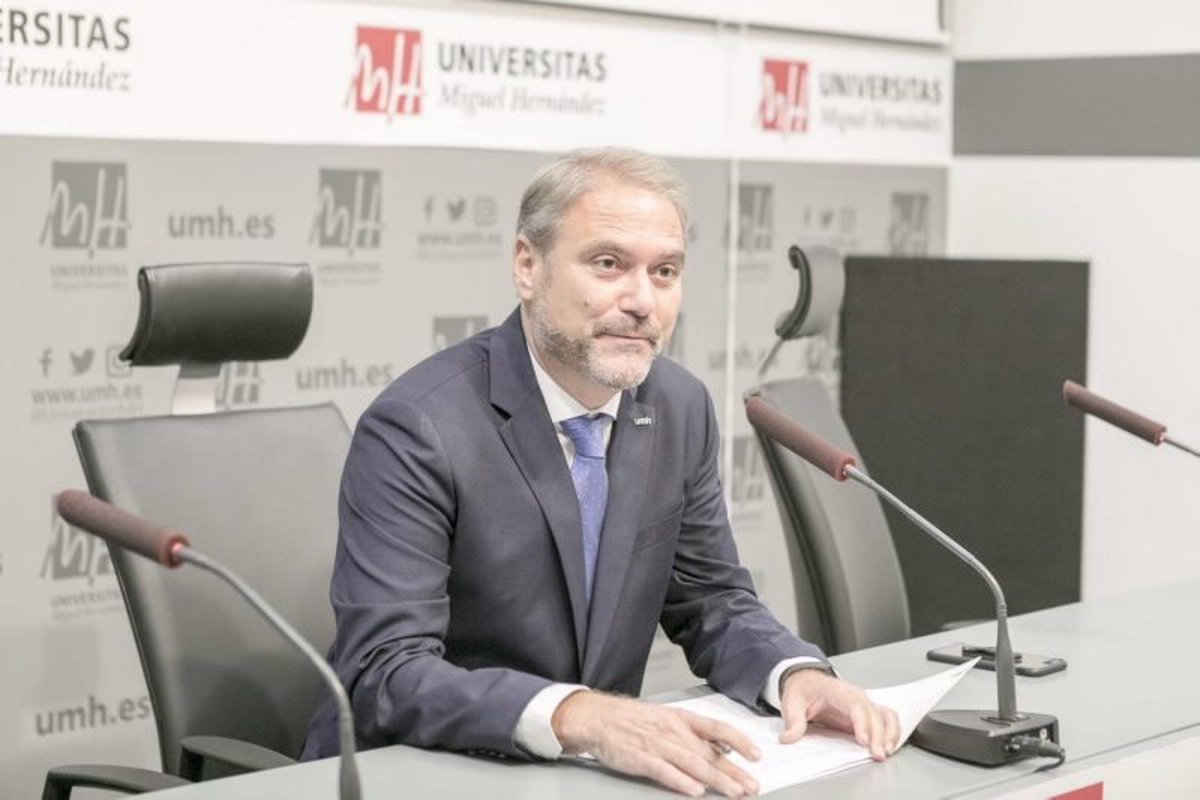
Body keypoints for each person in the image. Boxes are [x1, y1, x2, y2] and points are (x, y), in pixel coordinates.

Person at [303, 148, 899, 797]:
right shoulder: (419, 425)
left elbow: (713, 600)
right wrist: (577, 715)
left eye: (665, 271)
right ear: (527, 266)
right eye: (608, 264)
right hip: (416, 775)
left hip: (582, 778)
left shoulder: (678, 406)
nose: (643, 302)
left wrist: (793, 674)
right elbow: (385, 670)